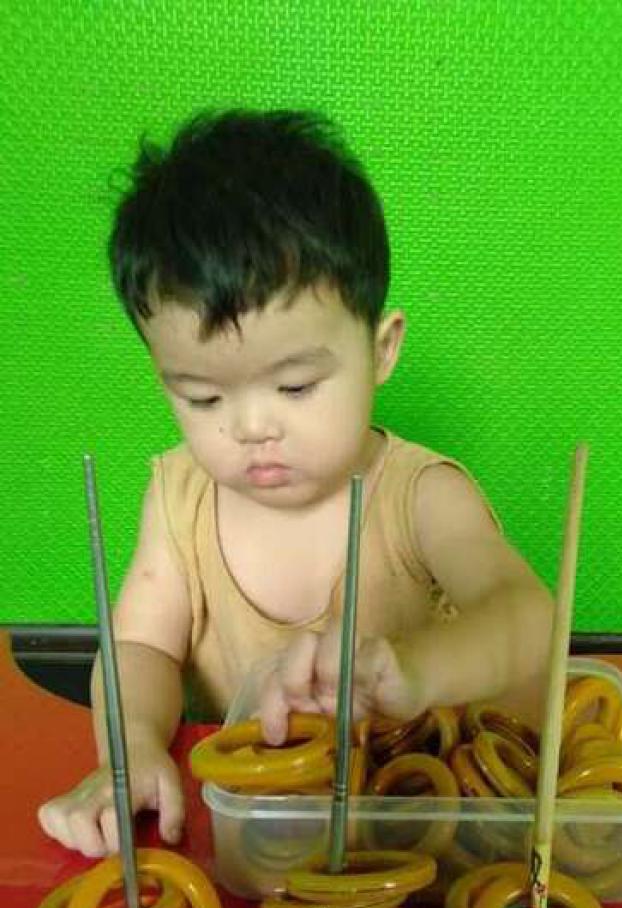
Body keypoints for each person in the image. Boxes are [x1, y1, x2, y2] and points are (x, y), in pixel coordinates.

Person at [38, 109, 553, 858]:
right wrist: (133, 750)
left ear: (381, 350)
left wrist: (415, 669)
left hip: (410, 837)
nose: (251, 426)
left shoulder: (422, 496)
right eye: (202, 398)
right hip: (243, 838)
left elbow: (529, 617)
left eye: (297, 386)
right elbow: (139, 646)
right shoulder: (179, 496)